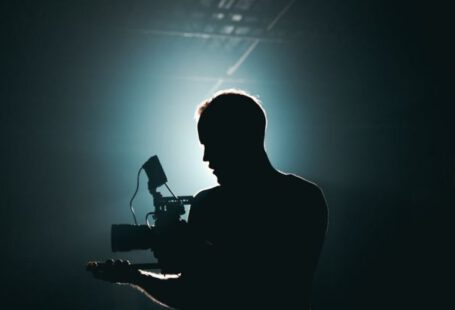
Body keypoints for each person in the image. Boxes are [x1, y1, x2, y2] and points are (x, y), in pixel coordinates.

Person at [88, 89, 328, 309]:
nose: (206, 157)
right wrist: (135, 277)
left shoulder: (301, 200)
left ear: (242, 138)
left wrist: (190, 249)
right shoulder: (303, 196)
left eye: (212, 144)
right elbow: (192, 293)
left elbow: (271, 281)